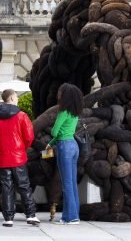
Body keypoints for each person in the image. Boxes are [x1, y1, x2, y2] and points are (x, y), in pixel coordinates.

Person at [0, 89, 40, 227]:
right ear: (12, 98)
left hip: (2, 157)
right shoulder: (21, 116)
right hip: (18, 157)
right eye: (16, 97)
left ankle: (8, 218)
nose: (18, 100)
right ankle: (30, 215)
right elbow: (29, 137)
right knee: (24, 186)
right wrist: (21, 148)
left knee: (6, 187)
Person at [46, 83, 83, 225]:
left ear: (65, 95)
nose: (58, 94)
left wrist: (53, 138)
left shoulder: (63, 112)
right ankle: (71, 216)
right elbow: (66, 133)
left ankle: (71, 217)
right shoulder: (74, 113)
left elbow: (55, 132)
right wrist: (52, 143)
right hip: (73, 146)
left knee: (66, 183)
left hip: (65, 148)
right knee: (72, 182)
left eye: (60, 92)